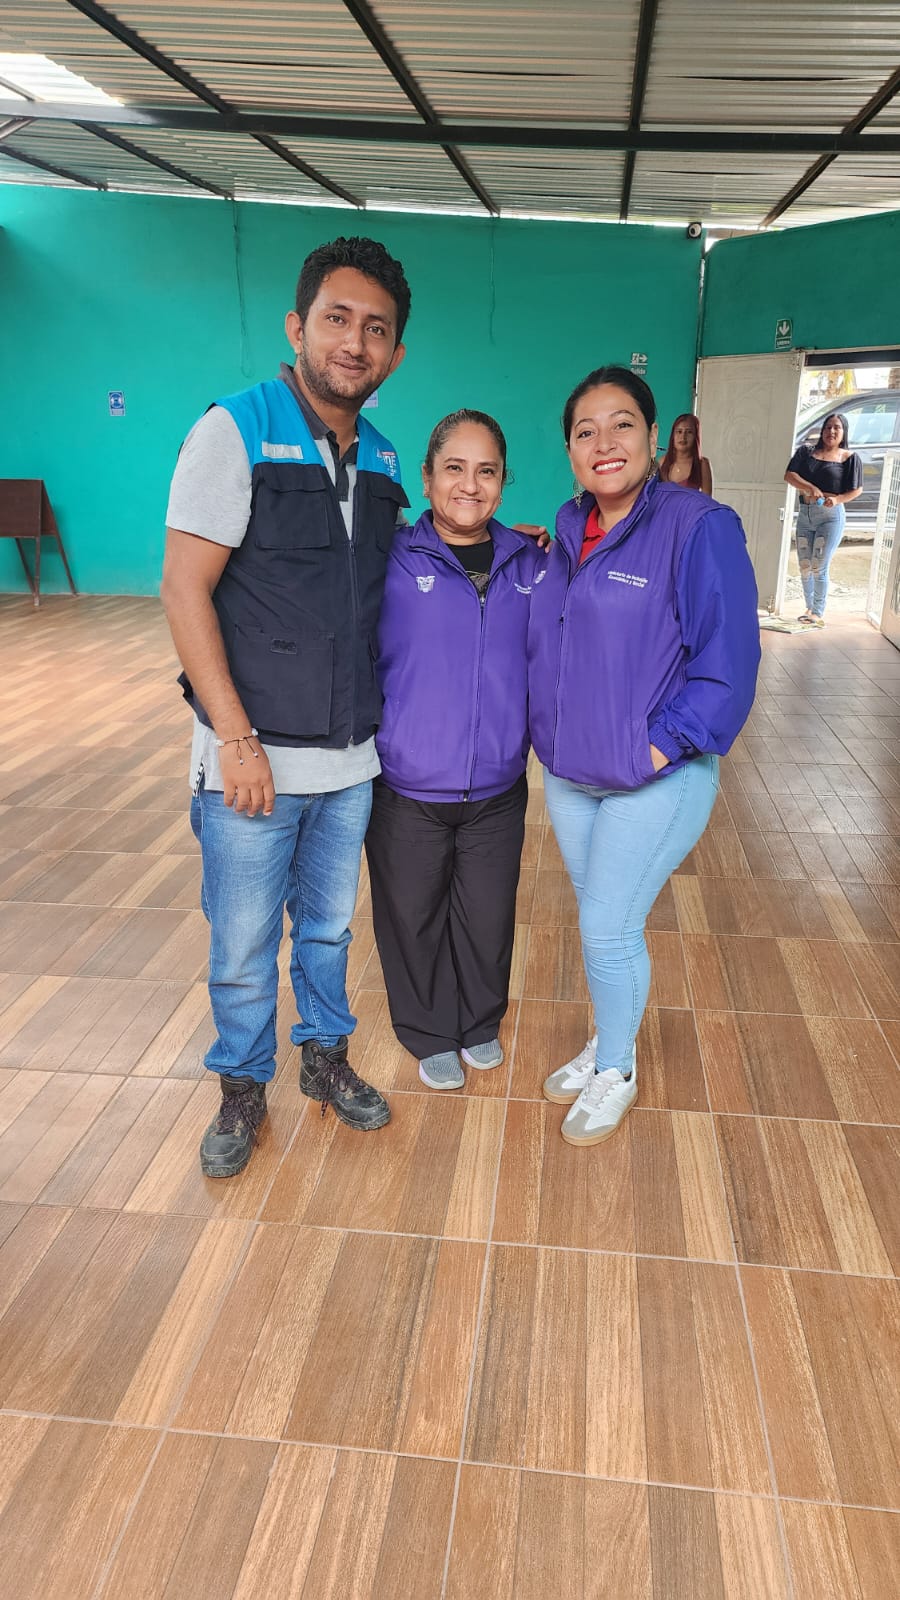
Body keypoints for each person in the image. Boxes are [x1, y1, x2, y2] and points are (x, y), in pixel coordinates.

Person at [161, 236, 411, 1179]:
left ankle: (325, 1059)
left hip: (348, 762)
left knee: (329, 930)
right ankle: (240, 1085)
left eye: (375, 329)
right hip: (252, 759)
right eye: (338, 319)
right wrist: (234, 738)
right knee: (242, 942)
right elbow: (184, 588)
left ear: (394, 353)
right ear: (297, 326)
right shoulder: (234, 429)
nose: (355, 342)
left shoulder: (383, 455)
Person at [527, 365, 760, 1147]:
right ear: (569, 450)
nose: (604, 442)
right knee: (606, 923)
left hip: (653, 775)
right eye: (585, 430)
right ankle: (608, 1040)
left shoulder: (698, 526)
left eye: (622, 423)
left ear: (654, 438)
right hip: (572, 773)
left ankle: (617, 1070)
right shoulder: (568, 526)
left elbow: (729, 664)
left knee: (607, 926)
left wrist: (658, 746)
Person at [365, 411, 545, 1089]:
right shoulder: (388, 559)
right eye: (454, 468)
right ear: (427, 477)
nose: (470, 485)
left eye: (486, 471)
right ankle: (428, 1028)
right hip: (408, 783)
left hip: (497, 784)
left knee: (488, 914)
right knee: (412, 916)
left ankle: (478, 1019)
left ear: (503, 480)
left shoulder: (532, 562)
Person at [784, 411, 863, 626]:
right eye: (828, 427)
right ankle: (809, 607)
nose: (832, 431)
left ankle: (817, 612)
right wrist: (810, 487)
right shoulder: (806, 452)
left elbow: (857, 490)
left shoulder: (849, 458)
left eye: (837, 427)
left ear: (844, 432)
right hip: (806, 513)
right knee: (805, 565)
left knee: (819, 565)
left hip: (830, 517)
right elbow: (789, 475)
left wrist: (837, 500)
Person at [657, 412, 713, 495]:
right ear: (673, 436)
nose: (683, 437)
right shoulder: (662, 462)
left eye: (689, 432)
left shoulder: (702, 464)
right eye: (679, 431)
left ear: (696, 436)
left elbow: (707, 499)